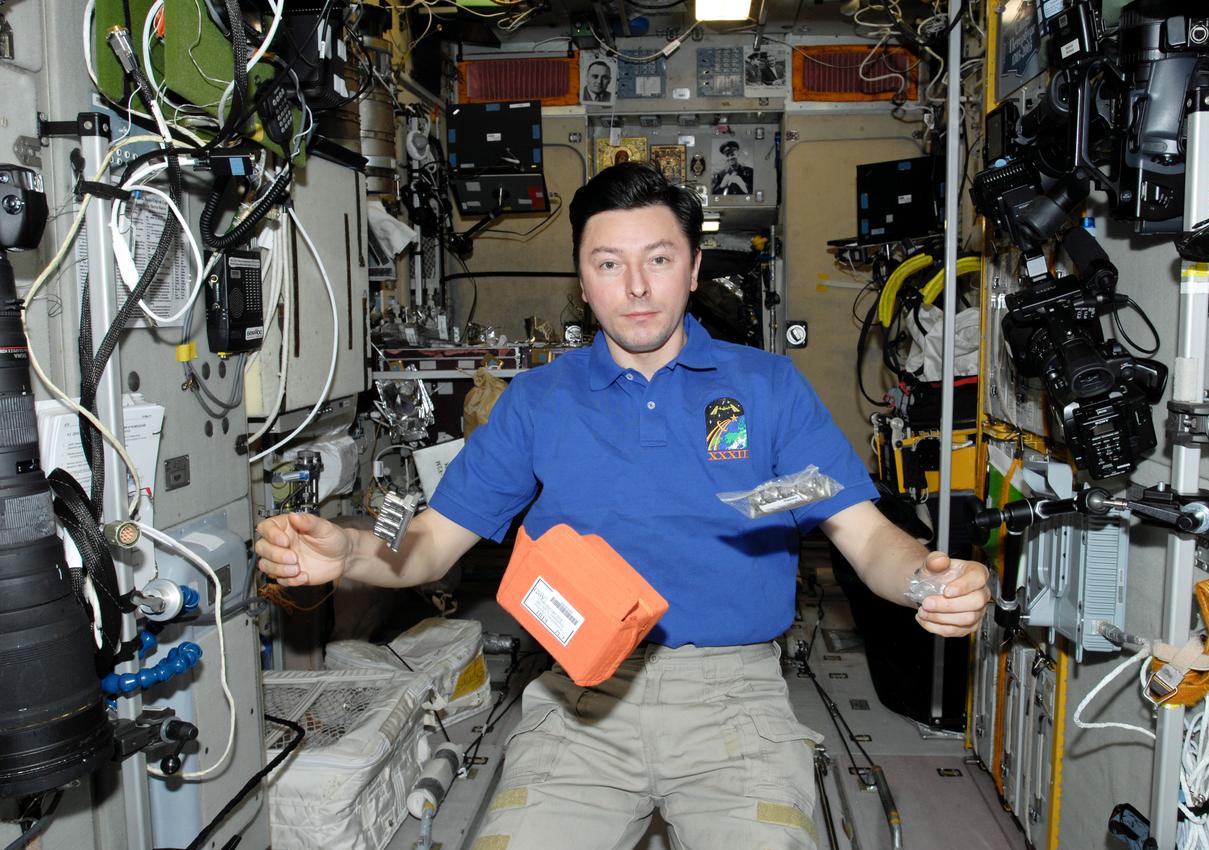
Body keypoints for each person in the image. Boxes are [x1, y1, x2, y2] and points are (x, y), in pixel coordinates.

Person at [256, 163, 990, 850]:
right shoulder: (537, 404)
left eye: (659, 259)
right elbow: (429, 547)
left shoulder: (767, 388)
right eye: (609, 264)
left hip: (732, 700)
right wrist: (350, 551)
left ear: (694, 269)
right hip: (580, 702)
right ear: (583, 278)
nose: (636, 287)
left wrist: (929, 581)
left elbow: (866, 540)